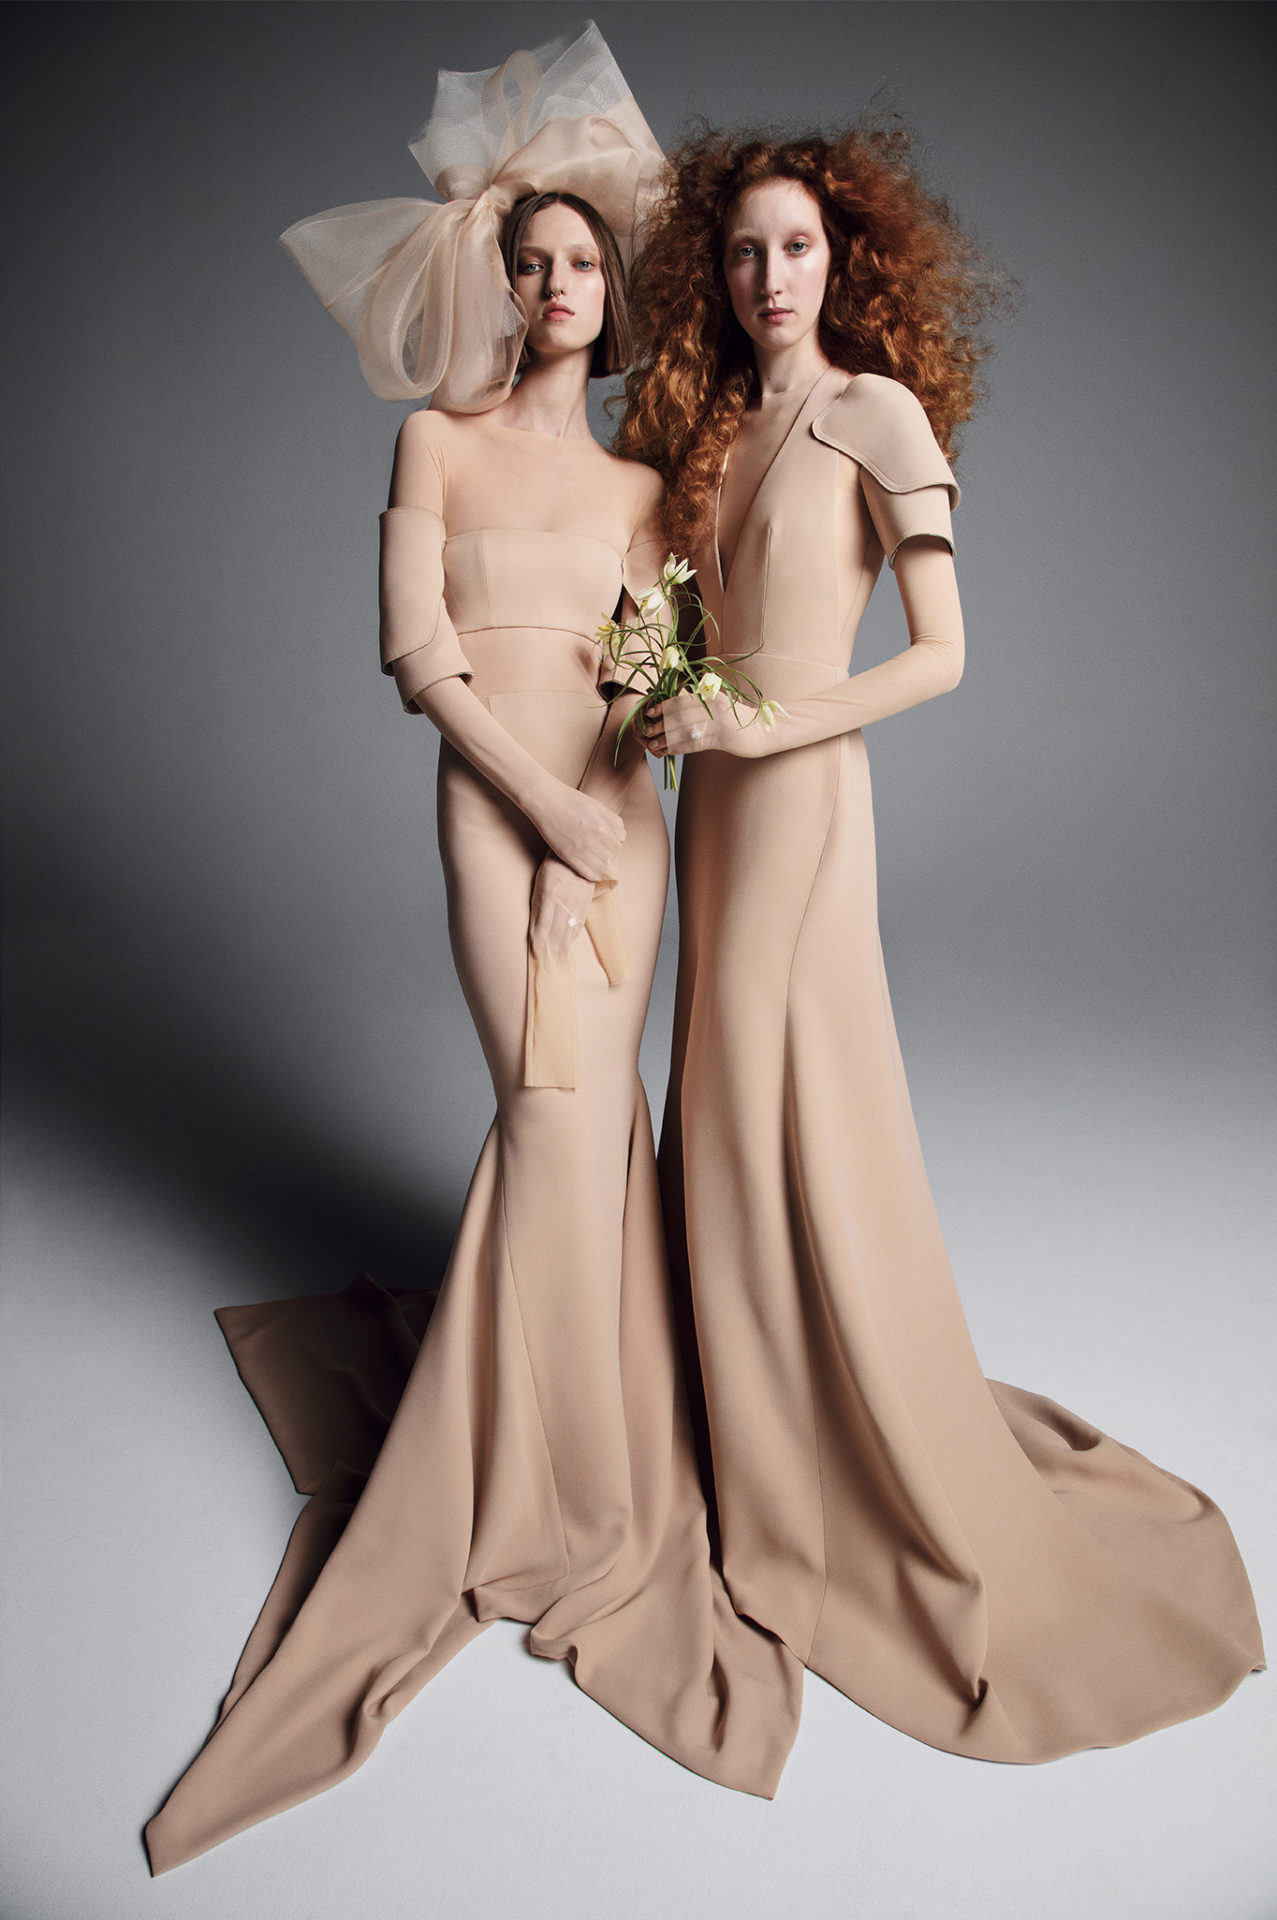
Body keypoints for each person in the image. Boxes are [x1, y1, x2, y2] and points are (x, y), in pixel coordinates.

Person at [144, 34, 801, 1876]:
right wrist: (544, 819)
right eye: (534, 262)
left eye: (584, 261)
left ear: (610, 290)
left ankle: (595, 1450)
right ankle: (535, 1478)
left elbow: (667, 679)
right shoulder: (429, 443)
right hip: (499, 813)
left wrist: (661, 752)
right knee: (545, 1112)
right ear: (498, 286)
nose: (559, 286)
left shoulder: (644, 486)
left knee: (594, 1127)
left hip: (620, 832)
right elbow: (420, 660)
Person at [620, 127, 1264, 1762]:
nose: (768, 277)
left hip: (798, 787)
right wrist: (655, 679)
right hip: (713, 801)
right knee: (717, 1097)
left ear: (845, 261)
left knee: (776, 1101)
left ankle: (801, 1448)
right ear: (717, 271)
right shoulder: (715, 422)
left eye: (796, 247)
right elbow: (682, 620)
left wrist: (759, 725)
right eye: (744, 251)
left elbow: (942, 655)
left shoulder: (875, 413)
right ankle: (727, 1395)